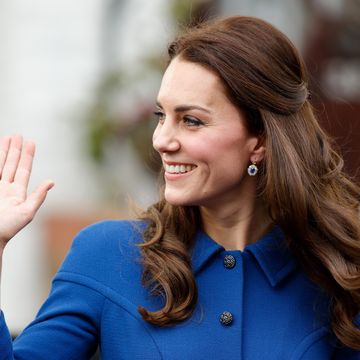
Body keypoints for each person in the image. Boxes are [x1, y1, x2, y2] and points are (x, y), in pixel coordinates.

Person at [0, 16, 359, 359]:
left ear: (260, 139)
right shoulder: (106, 256)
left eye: (191, 120)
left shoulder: (336, 273)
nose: (162, 140)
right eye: (162, 116)